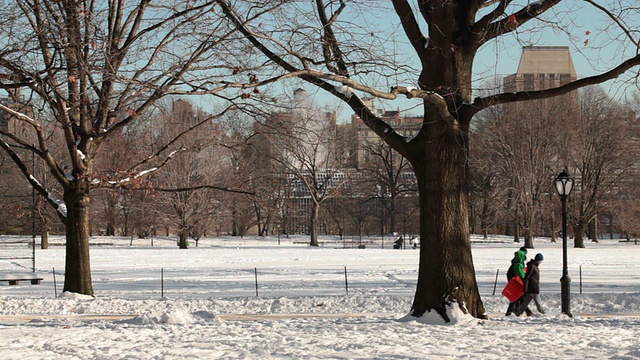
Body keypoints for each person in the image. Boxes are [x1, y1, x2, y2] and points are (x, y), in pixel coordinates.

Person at [505, 246, 532, 316]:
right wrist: (525, 280)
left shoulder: (516, 263)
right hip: (517, 281)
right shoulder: (518, 264)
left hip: (514, 280)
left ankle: (514, 310)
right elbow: (520, 274)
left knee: (517, 296)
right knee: (518, 296)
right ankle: (521, 310)